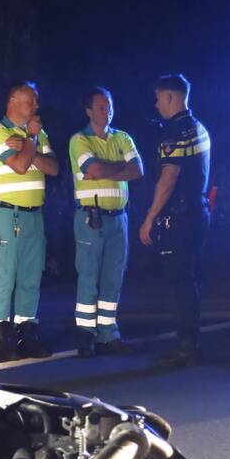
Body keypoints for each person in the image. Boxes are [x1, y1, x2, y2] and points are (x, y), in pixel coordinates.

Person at [0, 81, 59, 360]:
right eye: (31, 101)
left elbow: (53, 167)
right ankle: (0, 337)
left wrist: (29, 144)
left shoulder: (34, 134)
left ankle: (27, 333)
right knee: (5, 274)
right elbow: (20, 165)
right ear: (13, 102)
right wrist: (32, 142)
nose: (36, 106)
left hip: (33, 215)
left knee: (31, 274)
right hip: (7, 214)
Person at [138, 74, 211, 365]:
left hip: (179, 218)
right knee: (189, 278)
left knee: (179, 281)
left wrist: (149, 218)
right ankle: (190, 340)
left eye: (158, 98)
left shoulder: (173, 132)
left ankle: (186, 346)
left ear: (170, 96)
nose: (156, 105)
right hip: (199, 211)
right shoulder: (199, 127)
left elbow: (168, 178)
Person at [68, 87, 144, 357]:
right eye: (101, 107)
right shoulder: (79, 140)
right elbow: (94, 169)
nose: (107, 111)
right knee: (89, 277)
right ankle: (85, 335)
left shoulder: (122, 137)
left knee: (113, 278)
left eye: (109, 106)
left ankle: (108, 335)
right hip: (92, 218)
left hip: (118, 219)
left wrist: (107, 169)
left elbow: (138, 170)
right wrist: (118, 169)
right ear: (88, 110)